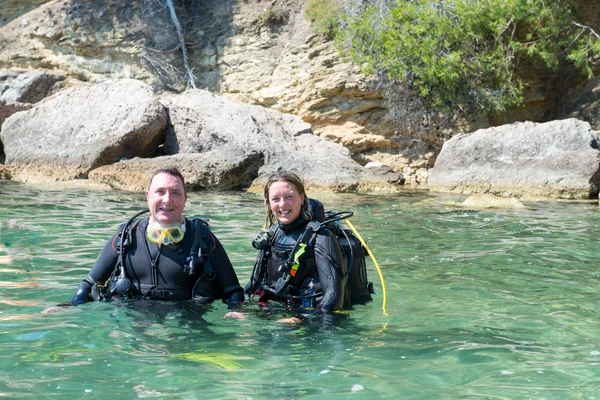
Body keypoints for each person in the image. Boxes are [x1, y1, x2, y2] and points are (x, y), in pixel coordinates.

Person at [68, 166, 244, 306]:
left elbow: (233, 291)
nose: (167, 199)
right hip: (134, 331)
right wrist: (65, 309)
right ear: (148, 197)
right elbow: (88, 285)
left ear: (185, 199)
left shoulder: (203, 239)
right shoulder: (126, 237)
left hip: (189, 329)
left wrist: (237, 313)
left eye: (175, 192)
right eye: (160, 191)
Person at [245, 171, 347, 315]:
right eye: (275, 199)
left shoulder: (321, 236)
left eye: (289, 197)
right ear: (269, 203)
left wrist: (301, 319)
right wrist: (240, 309)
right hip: (278, 312)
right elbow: (254, 283)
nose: (282, 204)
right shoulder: (272, 234)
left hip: (312, 317)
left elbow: (333, 298)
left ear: (302, 198)